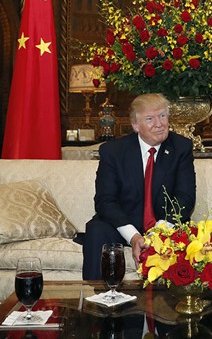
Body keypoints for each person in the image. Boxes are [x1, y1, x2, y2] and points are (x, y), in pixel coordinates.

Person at [82, 93, 196, 280]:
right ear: (136, 126)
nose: (159, 124)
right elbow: (105, 201)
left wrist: (158, 234)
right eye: (150, 119)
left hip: (164, 224)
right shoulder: (113, 151)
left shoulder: (181, 148)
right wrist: (134, 236)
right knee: (96, 230)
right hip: (124, 225)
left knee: (187, 234)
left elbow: (185, 197)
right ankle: (98, 300)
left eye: (163, 116)